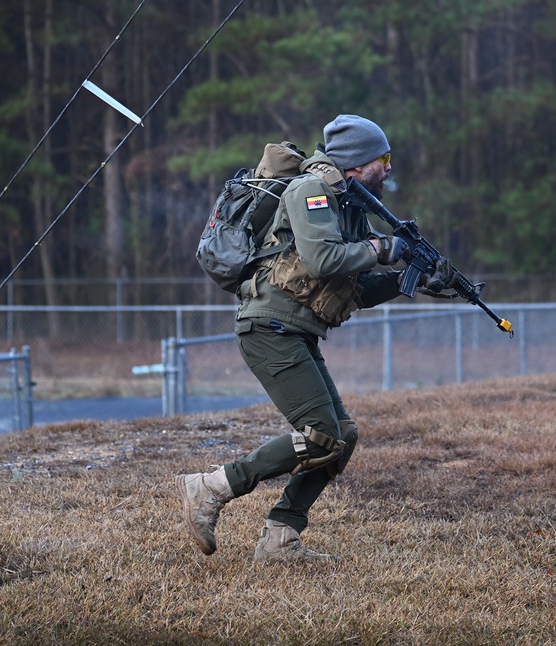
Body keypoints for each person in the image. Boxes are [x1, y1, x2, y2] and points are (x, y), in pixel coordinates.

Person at [175, 114, 453, 562]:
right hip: (268, 328)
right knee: (322, 434)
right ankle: (210, 487)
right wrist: (384, 249)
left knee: (342, 434)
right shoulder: (312, 191)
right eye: (384, 159)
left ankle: (280, 537)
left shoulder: (350, 208)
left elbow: (354, 289)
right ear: (359, 164)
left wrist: (413, 279)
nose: (390, 168)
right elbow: (323, 260)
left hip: (296, 330)